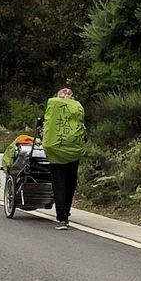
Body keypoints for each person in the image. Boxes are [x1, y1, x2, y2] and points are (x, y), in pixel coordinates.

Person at [41, 88, 86, 230]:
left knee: (63, 185)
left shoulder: (60, 114)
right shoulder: (71, 112)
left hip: (61, 155)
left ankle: (63, 216)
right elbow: (84, 137)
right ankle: (64, 214)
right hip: (67, 155)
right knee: (67, 184)